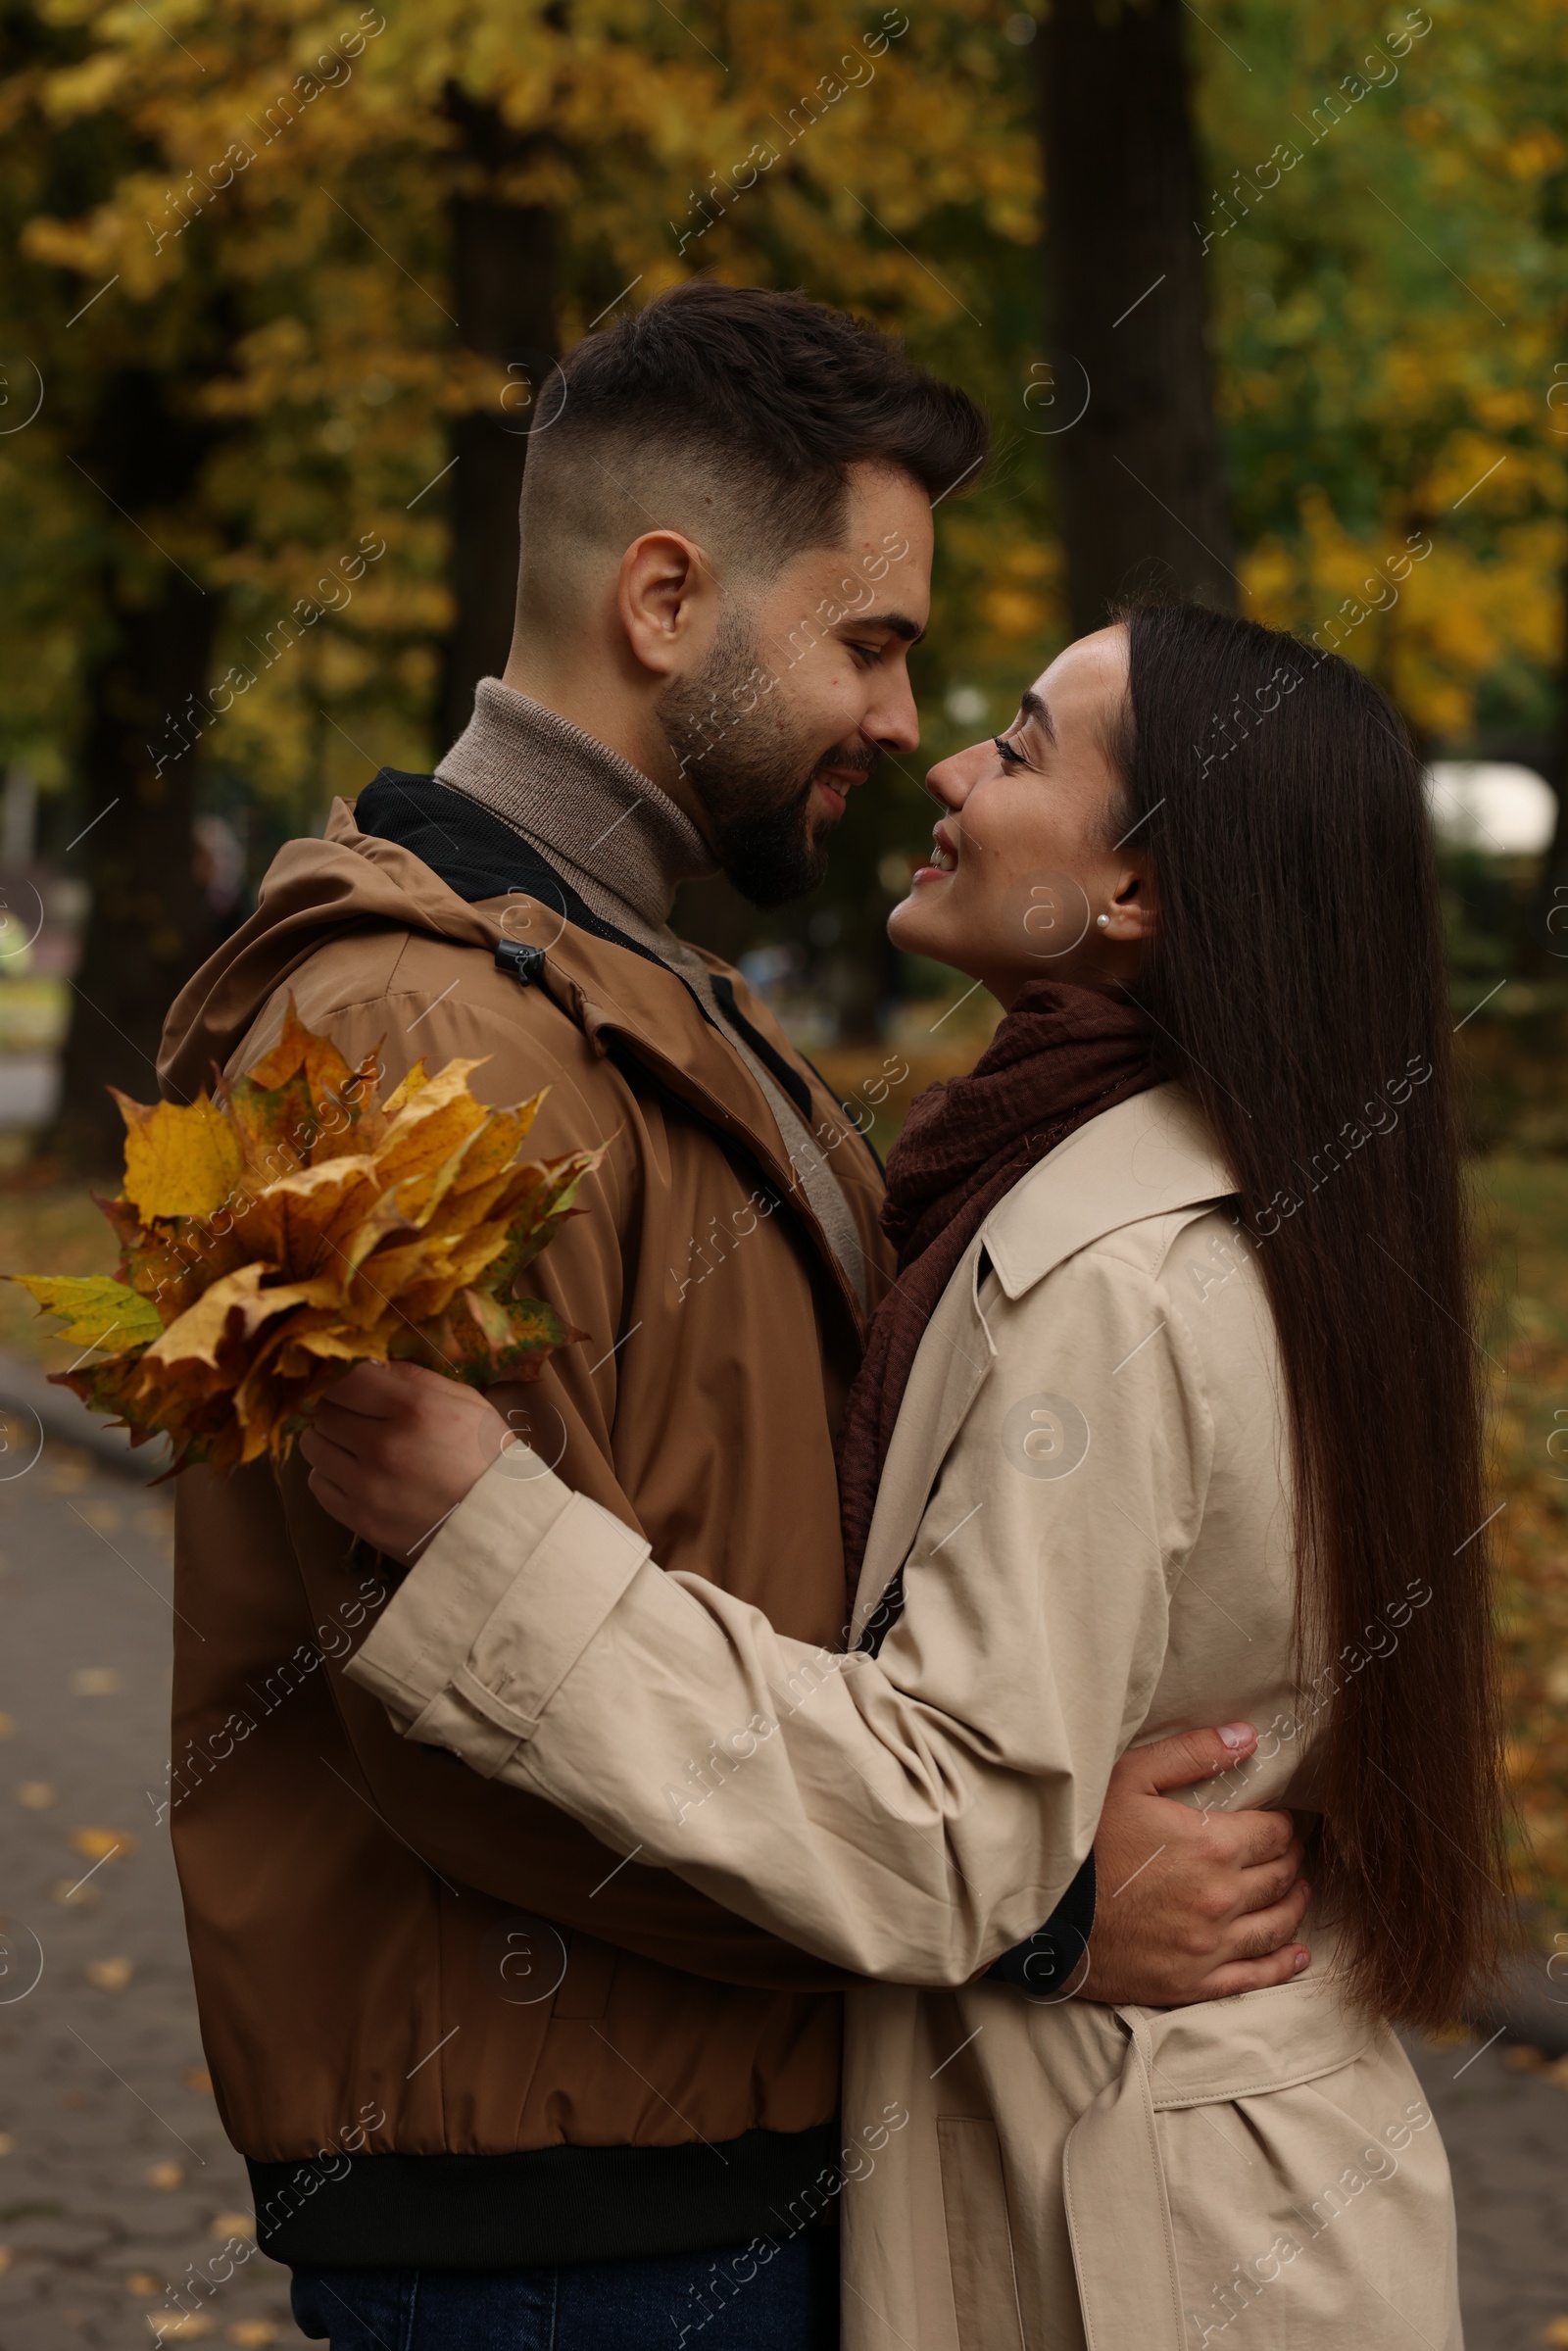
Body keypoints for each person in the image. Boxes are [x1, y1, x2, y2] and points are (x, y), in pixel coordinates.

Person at [159, 288, 1310, 2351]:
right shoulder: (413, 1028)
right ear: (669, 600)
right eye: (866, 644)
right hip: (563, 2214)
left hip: (692, 2163)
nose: (901, 720)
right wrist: (1027, 1914)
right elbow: (452, 1712)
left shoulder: (627, 992)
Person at [308, 601, 1507, 2351]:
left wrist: (489, 1538)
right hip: (1215, 2181)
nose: (946, 763)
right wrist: (1062, 1893)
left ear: (1137, 896)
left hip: (1151, 2241)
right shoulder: (1226, 1183)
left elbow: (956, 1812)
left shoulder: (1110, 1275)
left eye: (1020, 747)